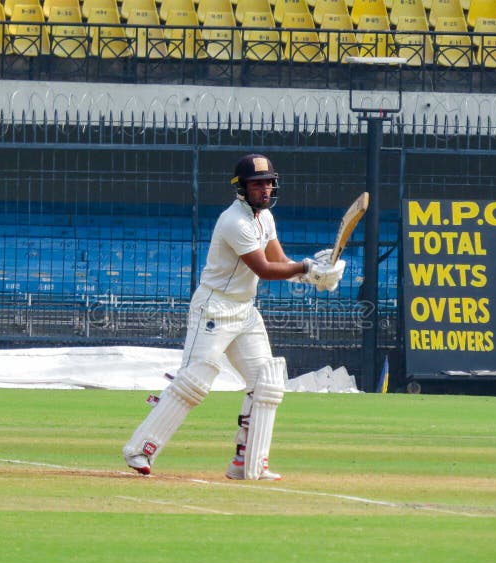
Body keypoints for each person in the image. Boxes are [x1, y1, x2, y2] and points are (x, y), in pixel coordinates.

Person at [122, 154, 346, 479]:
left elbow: (280, 260)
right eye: (257, 184)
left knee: (267, 382)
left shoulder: (265, 217)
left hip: (244, 310)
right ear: (242, 187)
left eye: (269, 182)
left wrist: (314, 274)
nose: (265, 189)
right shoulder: (234, 221)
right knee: (195, 382)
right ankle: (139, 449)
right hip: (214, 308)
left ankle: (246, 462)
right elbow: (265, 269)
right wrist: (309, 268)